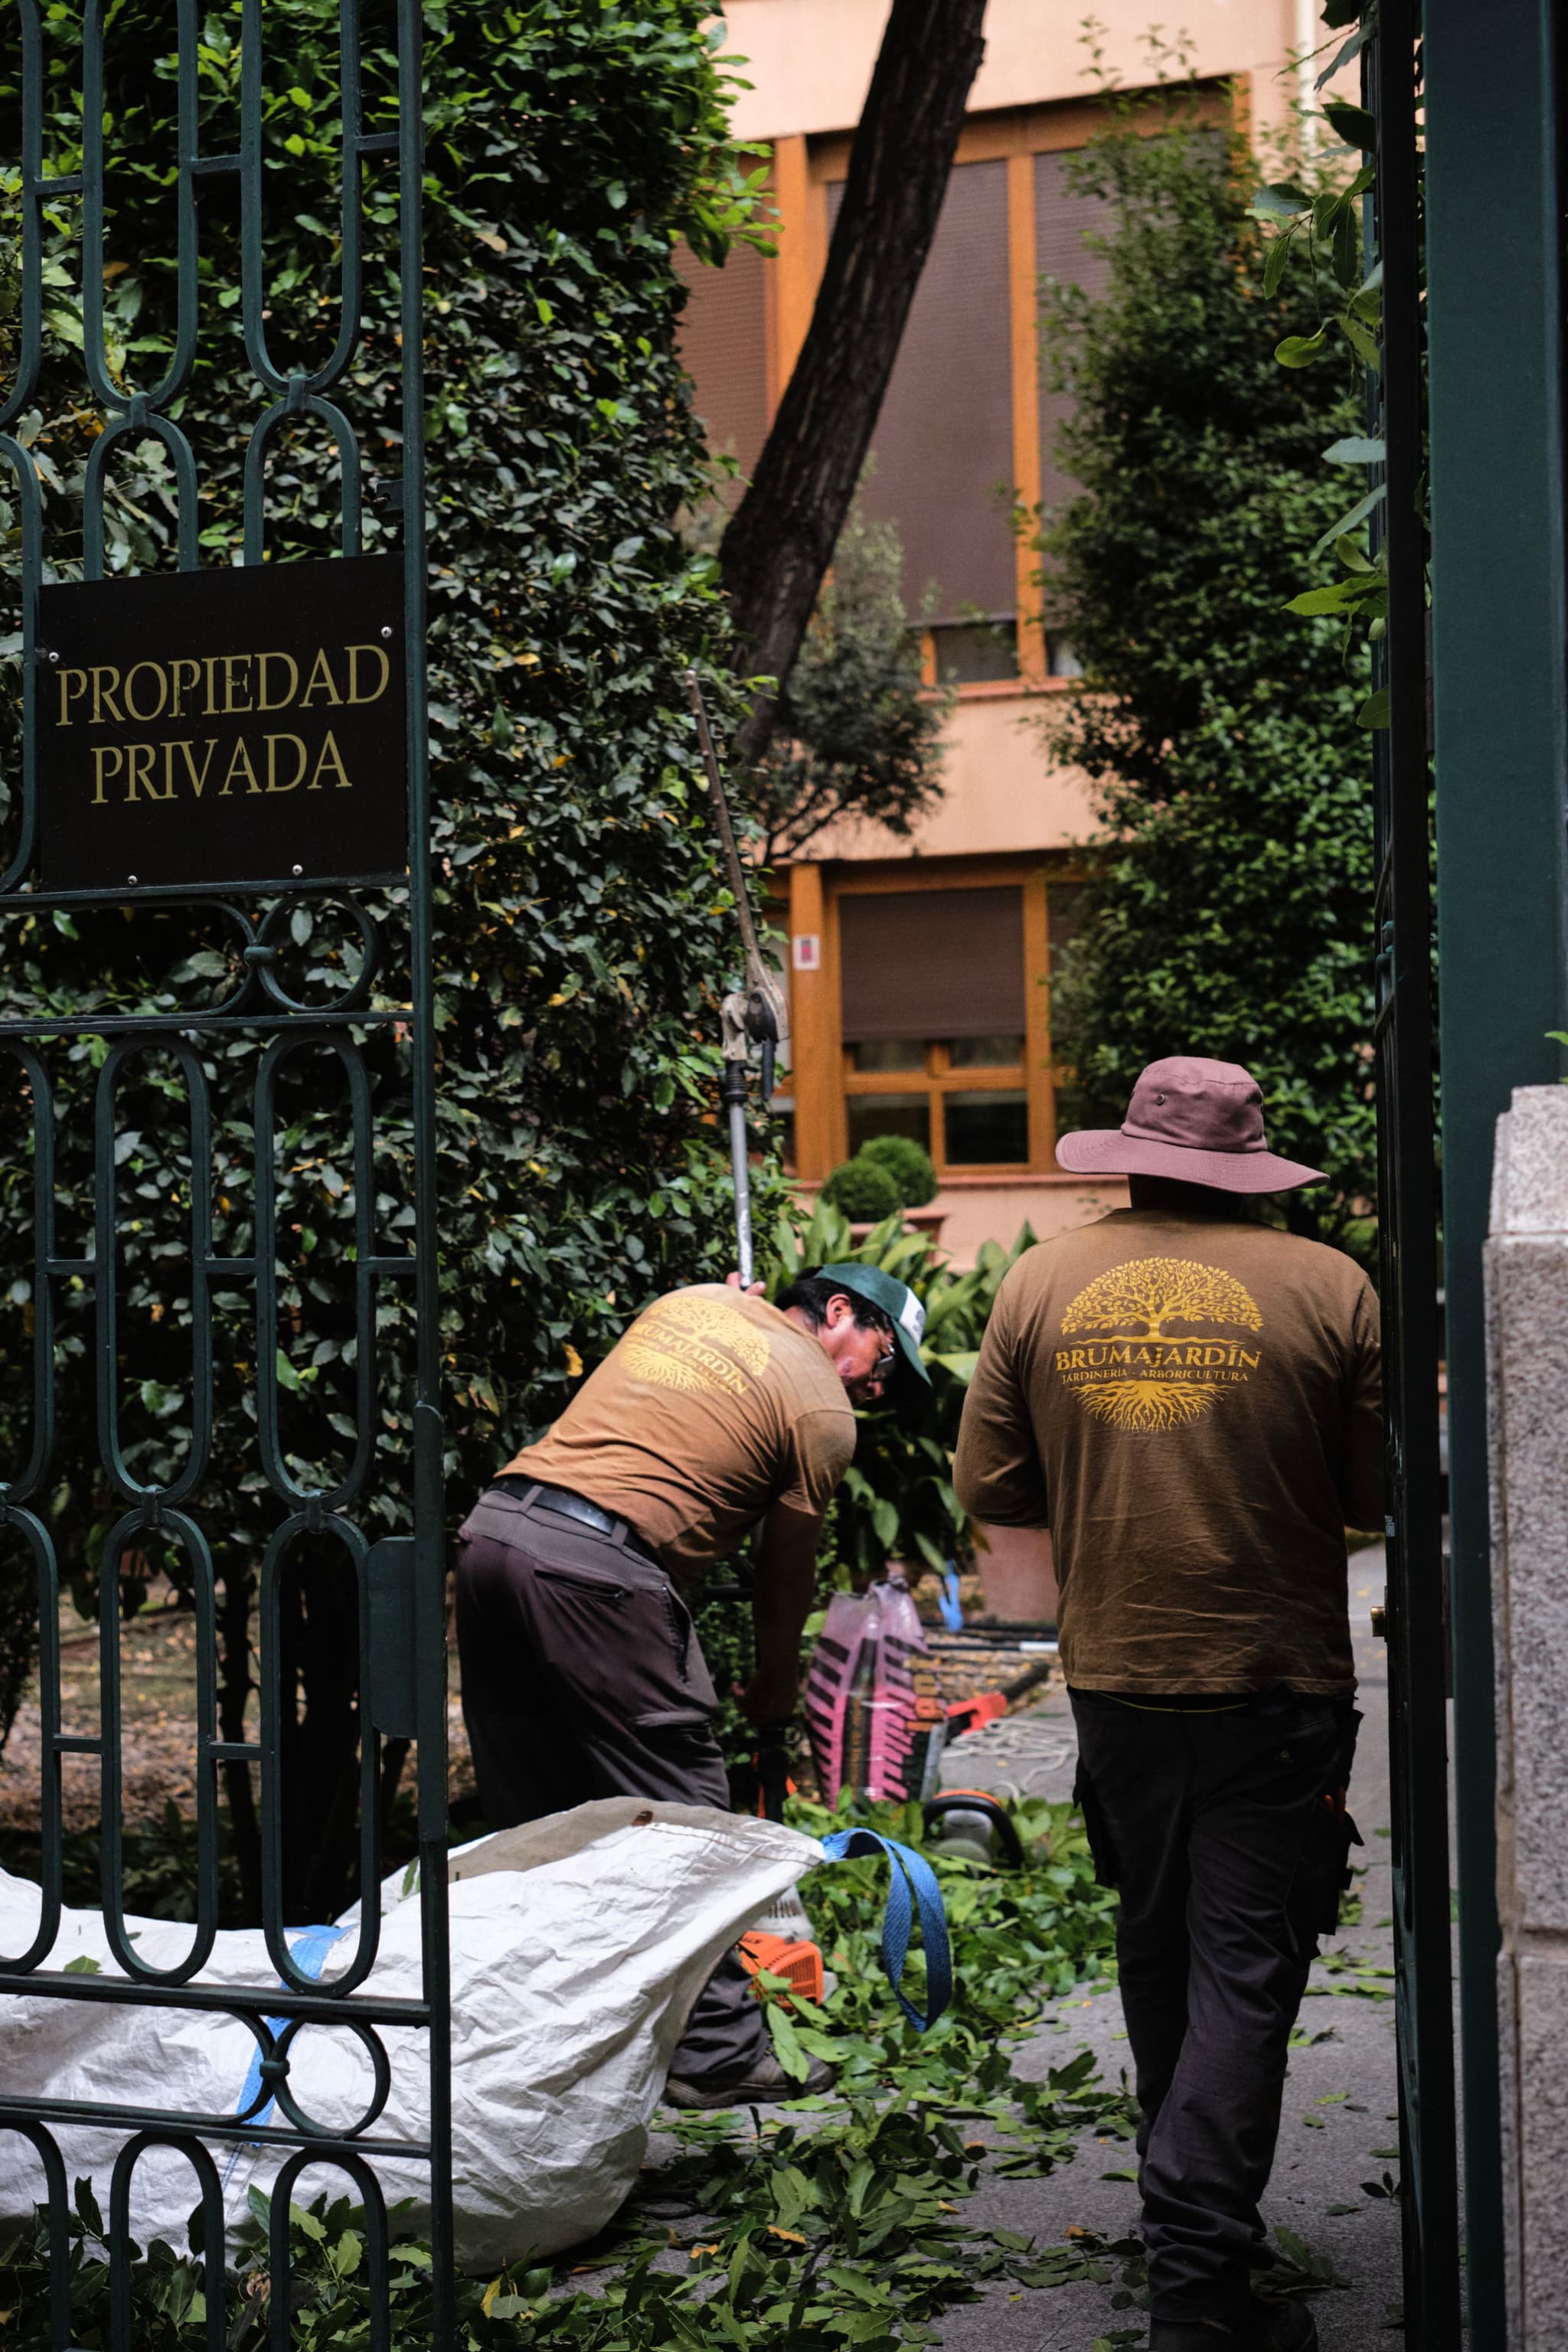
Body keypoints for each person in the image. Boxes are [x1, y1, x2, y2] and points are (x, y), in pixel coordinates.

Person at [954, 1057, 1380, 2352]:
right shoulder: (1331, 1285)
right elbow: (1369, 1492)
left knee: (1157, 1951)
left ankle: (1184, 2217)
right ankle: (1199, 2291)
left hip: (1115, 1680)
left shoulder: (1035, 1281)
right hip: (1273, 1681)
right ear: (1247, 1162)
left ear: (1128, 1153)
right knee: (1242, 1971)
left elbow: (997, 1486)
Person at [454, 1262, 930, 2109]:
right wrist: (774, 1698)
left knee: (540, 1817)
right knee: (689, 1820)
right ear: (836, 1312)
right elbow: (783, 1582)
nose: (874, 1394)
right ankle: (714, 2055)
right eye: (884, 1367)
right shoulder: (819, 1409)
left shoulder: (694, 1300)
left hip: (494, 1536)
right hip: (598, 1569)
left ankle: (528, 2044)